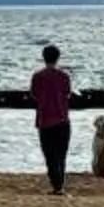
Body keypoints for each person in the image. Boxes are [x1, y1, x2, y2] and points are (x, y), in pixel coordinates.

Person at [31, 45, 74, 196]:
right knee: (61, 154)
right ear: (58, 58)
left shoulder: (38, 76)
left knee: (49, 154)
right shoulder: (64, 76)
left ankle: (55, 184)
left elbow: (34, 95)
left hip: (45, 119)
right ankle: (60, 185)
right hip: (62, 119)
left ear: (44, 57)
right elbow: (68, 93)